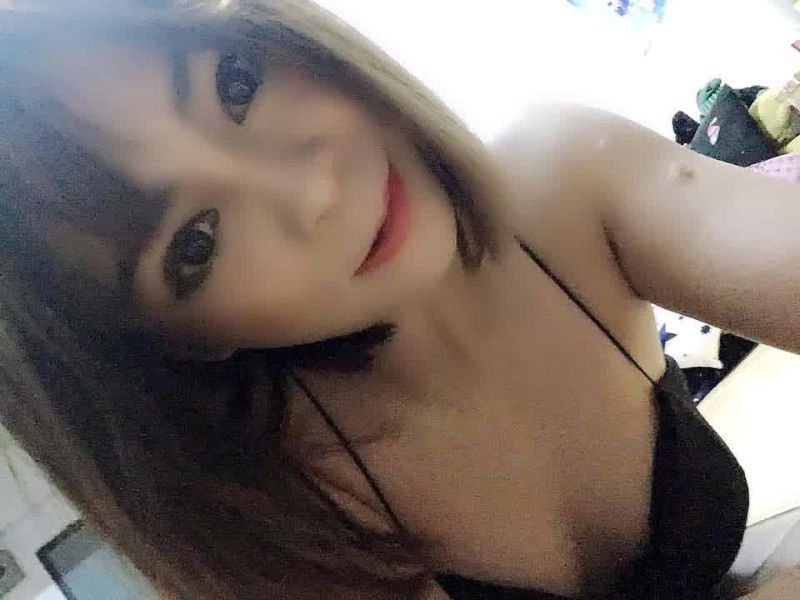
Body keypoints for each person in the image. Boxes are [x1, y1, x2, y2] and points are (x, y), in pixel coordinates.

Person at [0, 1, 797, 599]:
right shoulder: (271, 509)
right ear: (181, 339)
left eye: (237, 84)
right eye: (194, 245)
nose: (310, 190)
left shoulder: (561, 180)